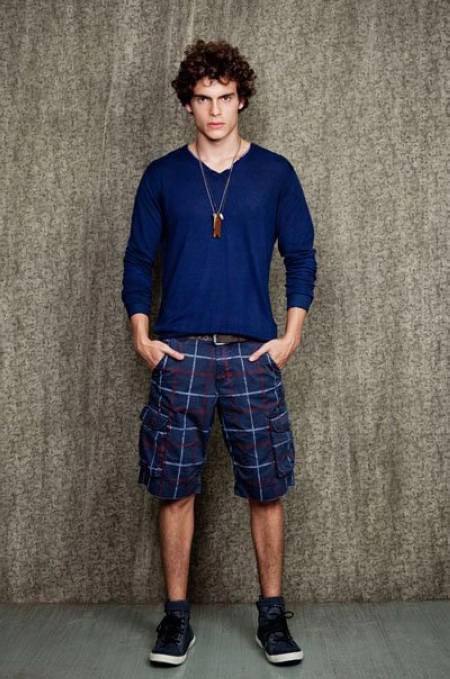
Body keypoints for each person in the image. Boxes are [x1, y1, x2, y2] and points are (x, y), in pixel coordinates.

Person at [121, 38, 317, 667]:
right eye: (203, 98)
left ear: (241, 100)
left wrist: (290, 337)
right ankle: (176, 618)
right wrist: (142, 338)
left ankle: (272, 616)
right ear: (187, 103)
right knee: (174, 486)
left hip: (252, 356)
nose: (214, 110)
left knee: (266, 486)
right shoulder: (162, 176)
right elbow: (138, 261)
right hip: (179, 355)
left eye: (225, 98)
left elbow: (302, 257)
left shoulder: (275, 173)